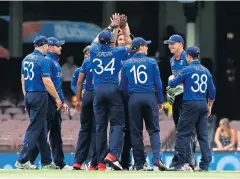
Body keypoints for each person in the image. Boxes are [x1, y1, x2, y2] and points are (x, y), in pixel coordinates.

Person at [90, 15, 132, 170]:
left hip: (98, 90)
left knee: (100, 127)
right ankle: (112, 154)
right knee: (118, 123)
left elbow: (95, 40)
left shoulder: (93, 50)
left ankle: (101, 163)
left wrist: (111, 26)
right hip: (113, 89)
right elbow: (130, 44)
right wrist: (123, 26)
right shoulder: (117, 52)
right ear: (112, 42)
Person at [120, 37, 167, 171]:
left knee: (136, 132)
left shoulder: (127, 63)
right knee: (154, 130)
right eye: (146, 45)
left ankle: (140, 164)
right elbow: (158, 83)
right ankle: (157, 158)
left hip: (134, 98)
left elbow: (123, 86)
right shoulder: (152, 62)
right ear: (140, 47)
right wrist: (160, 100)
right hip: (149, 97)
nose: (147, 47)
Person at [15, 36, 62, 169]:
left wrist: (26, 96)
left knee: (41, 128)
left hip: (29, 94)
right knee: (35, 128)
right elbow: (47, 81)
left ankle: (46, 161)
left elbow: (23, 79)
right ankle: (22, 160)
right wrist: (57, 98)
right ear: (43, 45)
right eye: (47, 46)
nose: (48, 48)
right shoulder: (43, 60)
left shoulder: (26, 59)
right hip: (39, 95)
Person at [168, 46, 216, 171]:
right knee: (203, 136)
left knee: (182, 133)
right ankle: (205, 165)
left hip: (190, 104)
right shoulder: (206, 71)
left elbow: (172, 84)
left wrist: (171, 78)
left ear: (188, 57)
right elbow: (212, 92)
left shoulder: (186, 70)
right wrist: (209, 106)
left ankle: (177, 163)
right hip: (202, 104)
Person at [28, 37, 72, 170]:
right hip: (48, 102)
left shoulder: (55, 62)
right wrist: (58, 100)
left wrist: (62, 101)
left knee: (56, 133)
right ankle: (28, 160)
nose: (61, 48)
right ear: (51, 47)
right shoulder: (47, 61)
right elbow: (48, 84)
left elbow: (57, 86)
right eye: (58, 46)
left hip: (55, 103)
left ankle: (60, 162)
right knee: (43, 132)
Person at [164, 34, 196, 169]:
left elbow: (193, 77)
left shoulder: (187, 57)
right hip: (177, 99)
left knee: (187, 130)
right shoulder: (172, 60)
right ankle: (183, 161)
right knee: (179, 129)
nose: (170, 46)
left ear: (181, 44)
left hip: (188, 98)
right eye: (169, 43)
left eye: (173, 43)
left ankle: (190, 161)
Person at [72, 45, 97, 171]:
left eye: (88, 52)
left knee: (86, 130)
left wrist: (79, 99)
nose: (87, 55)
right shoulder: (81, 69)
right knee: (93, 130)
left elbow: (79, 84)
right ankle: (89, 162)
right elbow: (75, 85)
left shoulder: (85, 65)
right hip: (95, 96)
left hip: (87, 97)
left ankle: (80, 161)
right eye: (85, 53)